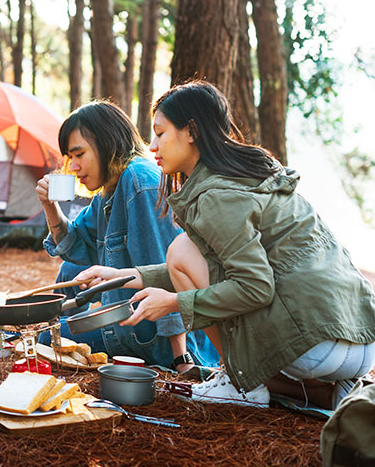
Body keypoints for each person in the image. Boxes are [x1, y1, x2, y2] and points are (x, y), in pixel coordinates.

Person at [75, 81, 375, 409]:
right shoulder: (246, 174)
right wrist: (120, 276)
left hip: (315, 346)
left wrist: (174, 302)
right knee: (185, 254)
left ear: (191, 131)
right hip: (358, 340)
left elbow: (255, 287)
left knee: (180, 250)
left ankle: (240, 383)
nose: (152, 145)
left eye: (160, 133)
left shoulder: (217, 195)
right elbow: (209, 267)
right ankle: (320, 390)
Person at [36, 101, 218, 372]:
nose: (73, 166)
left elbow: (166, 267)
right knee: (70, 270)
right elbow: (73, 245)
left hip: (152, 335)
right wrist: (50, 206)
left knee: (45, 339)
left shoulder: (138, 181)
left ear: (106, 143)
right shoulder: (110, 189)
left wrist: (180, 360)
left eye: (79, 154)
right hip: (131, 320)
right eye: (69, 158)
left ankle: (52, 332)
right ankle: (54, 326)